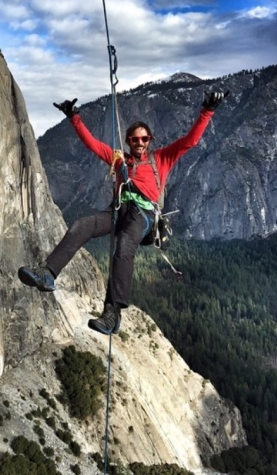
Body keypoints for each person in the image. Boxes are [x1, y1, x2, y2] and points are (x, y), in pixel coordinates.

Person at [18, 91, 228, 335]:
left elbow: (189, 141)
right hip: (117, 210)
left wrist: (208, 110)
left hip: (143, 214)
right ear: (129, 141)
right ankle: (48, 273)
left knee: (124, 245)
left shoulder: (161, 158)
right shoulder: (119, 160)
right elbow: (92, 145)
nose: (140, 143)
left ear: (150, 140)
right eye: (135, 139)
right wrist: (74, 117)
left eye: (144, 139)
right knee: (82, 225)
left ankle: (112, 312)